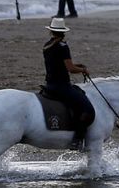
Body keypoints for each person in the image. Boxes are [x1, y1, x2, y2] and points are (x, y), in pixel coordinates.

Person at [43, 17, 94, 150]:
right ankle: (77, 139)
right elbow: (70, 68)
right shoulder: (63, 46)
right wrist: (83, 70)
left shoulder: (47, 45)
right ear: (64, 32)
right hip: (61, 86)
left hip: (50, 84)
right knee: (87, 109)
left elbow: (60, 64)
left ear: (51, 31)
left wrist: (78, 65)